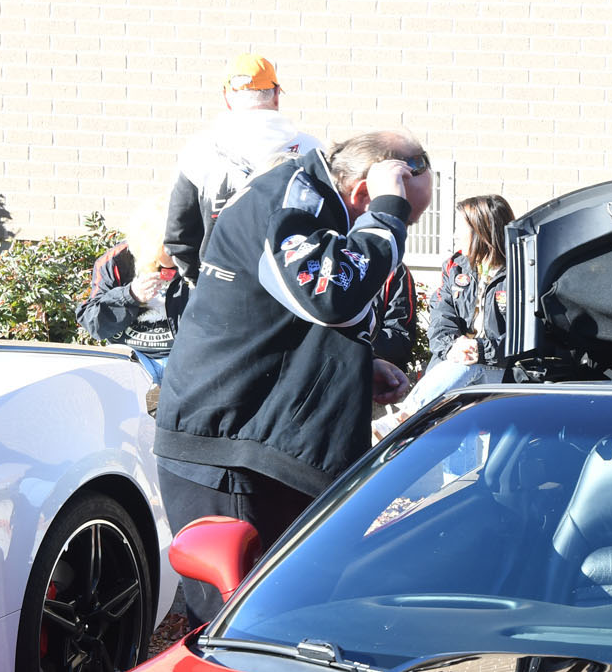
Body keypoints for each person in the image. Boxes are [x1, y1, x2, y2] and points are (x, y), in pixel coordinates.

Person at [152, 131, 433, 623]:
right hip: (231, 452)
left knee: (286, 619)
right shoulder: (291, 198)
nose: (400, 228)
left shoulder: (308, 201)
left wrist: (352, 368)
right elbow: (329, 293)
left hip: (261, 440)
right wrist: (389, 213)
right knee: (243, 630)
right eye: (409, 216)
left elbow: (277, 315)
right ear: (363, 192)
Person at [162, 53, 324, 283]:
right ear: (276, 95)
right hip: (292, 289)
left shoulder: (198, 151)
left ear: (227, 98)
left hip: (220, 289)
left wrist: (198, 284)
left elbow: (179, 235)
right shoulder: (312, 151)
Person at [403, 194, 515, 414]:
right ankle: (410, 416)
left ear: (482, 231)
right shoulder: (455, 268)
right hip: (453, 364)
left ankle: (406, 416)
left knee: (468, 363)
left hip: (497, 369)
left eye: (461, 227)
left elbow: (524, 338)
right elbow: (440, 320)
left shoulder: (519, 274)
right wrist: (452, 347)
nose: (455, 234)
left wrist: (481, 350)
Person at [75, 201, 189, 384]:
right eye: (168, 244)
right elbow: (93, 323)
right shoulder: (115, 261)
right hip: (131, 356)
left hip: (180, 357)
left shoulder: (194, 259)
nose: (175, 250)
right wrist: (130, 295)